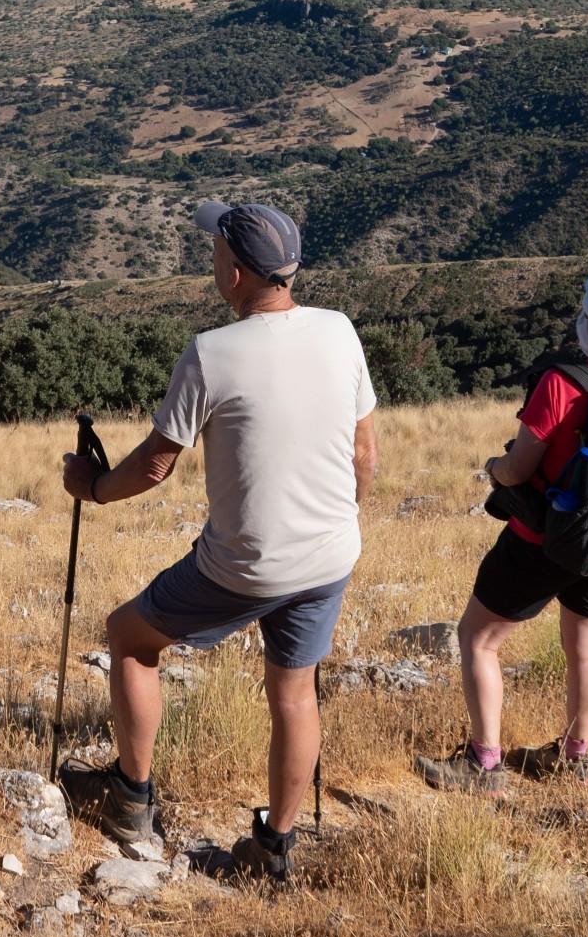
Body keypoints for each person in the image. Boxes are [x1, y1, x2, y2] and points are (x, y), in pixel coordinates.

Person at [58, 200, 376, 887]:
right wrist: (334, 522)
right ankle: (275, 847)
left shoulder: (211, 353)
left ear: (234, 270)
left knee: (130, 638)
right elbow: (364, 454)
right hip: (330, 553)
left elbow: (152, 466)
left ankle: (131, 800)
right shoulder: (340, 331)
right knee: (293, 695)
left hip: (246, 562)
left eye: (214, 252)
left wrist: (91, 489)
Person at [420, 267, 588, 794]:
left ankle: (484, 765)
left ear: (586, 317)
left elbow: (518, 470)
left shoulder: (562, 383)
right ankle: (573, 756)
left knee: (478, 639)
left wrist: (494, 466)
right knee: (584, 650)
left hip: (544, 538)